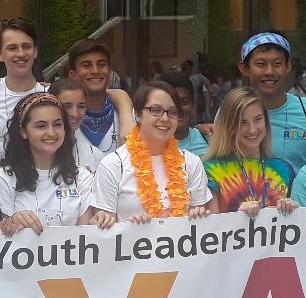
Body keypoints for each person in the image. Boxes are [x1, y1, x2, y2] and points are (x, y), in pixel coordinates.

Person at [89, 81, 212, 227]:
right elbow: (102, 230)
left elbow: (200, 226)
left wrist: (199, 215)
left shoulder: (191, 163)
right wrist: (130, 228)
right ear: (137, 114)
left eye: (172, 112)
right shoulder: (113, 165)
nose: (165, 118)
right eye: (156, 110)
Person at [0, 93, 94, 235]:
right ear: (23, 131)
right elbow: (1, 235)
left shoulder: (82, 177)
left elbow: (85, 237)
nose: (51, 133)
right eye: (41, 126)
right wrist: (13, 221)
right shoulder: (3, 178)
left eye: (57, 124)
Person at [237, 32, 306, 175]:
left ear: (288, 65)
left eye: (277, 64)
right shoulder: (231, 112)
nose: (269, 72)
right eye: (260, 64)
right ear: (244, 68)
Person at [202, 87, 296, 215]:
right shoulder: (210, 170)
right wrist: (238, 217)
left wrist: (292, 210)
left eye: (258, 119)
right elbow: (211, 224)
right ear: (229, 126)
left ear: (266, 121)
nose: (252, 130)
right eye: (243, 122)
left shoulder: (284, 170)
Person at [0, 17, 47, 142]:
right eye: (12, 48)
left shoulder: (49, 94)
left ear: (35, 51)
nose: (21, 54)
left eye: (26, 46)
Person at [66, 40, 134, 168]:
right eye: (87, 65)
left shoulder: (128, 116)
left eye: (101, 64)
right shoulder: (60, 117)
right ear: (73, 75)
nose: (95, 71)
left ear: (110, 71)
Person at [49, 77, 99, 171]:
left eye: (81, 106)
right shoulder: (37, 153)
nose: (74, 114)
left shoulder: (94, 155)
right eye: (67, 106)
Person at [157, 71, 209, 157]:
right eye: (172, 102)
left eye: (185, 102)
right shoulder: (148, 146)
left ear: (193, 105)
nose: (178, 108)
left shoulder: (207, 140)